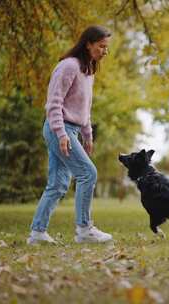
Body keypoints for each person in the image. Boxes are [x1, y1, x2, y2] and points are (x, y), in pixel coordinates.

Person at [27, 25, 113, 244]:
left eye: (107, 48)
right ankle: (84, 229)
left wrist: (88, 135)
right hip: (59, 128)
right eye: (102, 46)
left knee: (57, 184)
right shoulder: (68, 66)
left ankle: (37, 233)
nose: (105, 51)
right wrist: (62, 134)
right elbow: (53, 104)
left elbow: (85, 109)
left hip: (71, 129)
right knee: (88, 173)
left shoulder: (88, 71)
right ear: (88, 44)